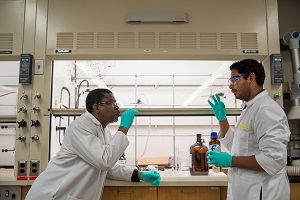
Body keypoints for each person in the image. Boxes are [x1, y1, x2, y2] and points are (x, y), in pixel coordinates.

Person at [26, 88, 160, 200]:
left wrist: (139, 175)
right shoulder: (80, 127)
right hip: (52, 195)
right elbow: (104, 161)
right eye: (111, 102)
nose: (117, 107)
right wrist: (123, 127)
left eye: (115, 102)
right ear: (96, 108)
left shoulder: (102, 130)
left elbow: (107, 167)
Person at [207, 59, 290, 200]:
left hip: (264, 193)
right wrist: (222, 119)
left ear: (251, 78)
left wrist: (231, 161)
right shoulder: (251, 107)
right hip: (249, 191)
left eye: (234, 80)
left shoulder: (266, 109)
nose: (231, 86)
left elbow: (273, 160)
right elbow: (238, 148)